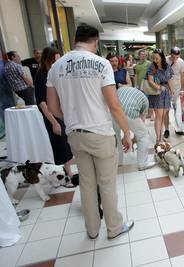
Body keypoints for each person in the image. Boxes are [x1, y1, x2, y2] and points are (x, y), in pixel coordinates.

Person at [46, 24, 134, 240]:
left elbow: (53, 107)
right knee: (107, 184)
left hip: (75, 135)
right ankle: (114, 228)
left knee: (86, 184)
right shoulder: (102, 64)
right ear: (95, 41)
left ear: (76, 39)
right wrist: (127, 132)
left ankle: (92, 230)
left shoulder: (56, 66)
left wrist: (73, 118)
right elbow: (114, 105)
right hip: (101, 134)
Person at [34, 47, 74, 177]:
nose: (57, 63)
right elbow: (42, 102)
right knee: (60, 145)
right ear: (47, 60)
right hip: (51, 116)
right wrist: (54, 122)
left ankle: (66, 171)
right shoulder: (41, 75)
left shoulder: (54, 73)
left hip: (59, 113)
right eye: (54, 60)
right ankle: (65, 173)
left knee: (65, 144)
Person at [115, 86, 156, 170]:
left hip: (113, 112)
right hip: (129, 112)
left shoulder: (122, 89)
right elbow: (140, 123)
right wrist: (134, 139)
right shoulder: (145, 100)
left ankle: (119, 161)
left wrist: (126, 135)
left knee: (116, 136)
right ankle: (142, 163)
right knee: (144, 135)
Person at [146, 49, 174, 142]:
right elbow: (150, 80)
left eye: (157, 58)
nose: (155, 60)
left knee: (163, 115)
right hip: (156, 93)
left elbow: (169, 79)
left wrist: (171, 90)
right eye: (153, 58)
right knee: (159, 116)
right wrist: (158, 87)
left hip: (166, 92)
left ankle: (160, 136)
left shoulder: (167, 66)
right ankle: (159, 138)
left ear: (162, 57)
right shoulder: (151, 66)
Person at [166, 47, 184, 136]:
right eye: (173, 57)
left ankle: (178, 128)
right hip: (166, 87)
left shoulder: (181, 62)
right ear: (170, 54)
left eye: (177, 57)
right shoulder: (165, 60)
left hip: (177, 87)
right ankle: (166, 129)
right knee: (166, 109)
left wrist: (182, 89)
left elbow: (182, 76)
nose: (175, 59)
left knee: (178, 108)